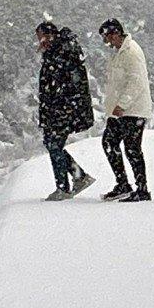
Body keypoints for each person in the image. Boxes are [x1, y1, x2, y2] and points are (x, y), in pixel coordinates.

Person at [36, 21, 95, 201]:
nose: (41, 42)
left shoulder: (63, 52)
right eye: (39, 39)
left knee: (53, 143)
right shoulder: (56, 52)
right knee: (51, 142)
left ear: (51, 35)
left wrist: (65, 106)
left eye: (43, 37)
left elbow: (70, 83)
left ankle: (63, 187)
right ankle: (79, 176)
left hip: (63, 108)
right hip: (57, 107)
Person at [98, 18, 154, 202]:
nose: (107, 43)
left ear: (115, 34)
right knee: (109, 142)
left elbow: (136, 81)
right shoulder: (118, 53)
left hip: (133, 110)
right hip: (118, 112)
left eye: (107, 38)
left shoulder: (131, 52)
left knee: (132, 148)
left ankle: (142, 189)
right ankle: (122, 183)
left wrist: (123, 104)